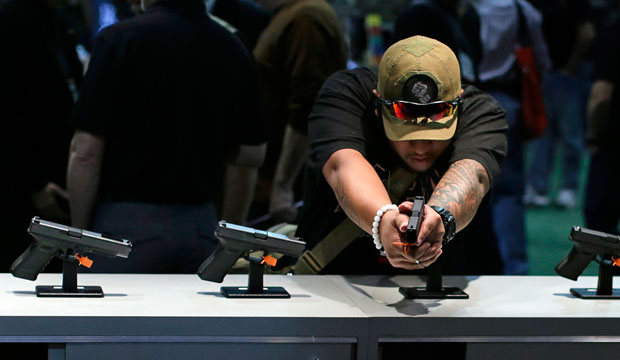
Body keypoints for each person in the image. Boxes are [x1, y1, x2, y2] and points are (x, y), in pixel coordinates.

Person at [67, 0, 266, 273]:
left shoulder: (118, 39)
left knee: (113, 315)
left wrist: (79, 238)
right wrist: (228, 241)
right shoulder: (233, 46)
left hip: (124, 227)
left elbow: (85, 153)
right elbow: (251, 155)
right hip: (201, 228)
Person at [295, 36, 507, 275]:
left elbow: (473, 175)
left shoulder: (481, 112)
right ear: (378, 103)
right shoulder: (346, 95)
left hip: (440, 289)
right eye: (404, 134)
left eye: (434, 135)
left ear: (458, 102)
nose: (419, 148)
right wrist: (383, 221)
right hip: (335, 280)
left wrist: (439, 219)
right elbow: (342, 165)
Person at [464, 0, 551, 275]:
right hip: (504, 101)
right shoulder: (519, 8)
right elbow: (541, 58)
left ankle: (471, 269)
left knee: (466, 185)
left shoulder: (459, 7)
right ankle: (514, 270)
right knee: (507, 192)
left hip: (462, 101)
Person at [0, 0, 83, 272]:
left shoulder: (55, 20)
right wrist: (32, 181)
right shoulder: (13, 16)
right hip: (23, 184)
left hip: (52, 176)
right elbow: (10, 108)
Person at [251, 0, 348, 225]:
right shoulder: (290, 14)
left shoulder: (307, 17)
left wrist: (282, 186)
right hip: (270, 182)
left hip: (284, 192)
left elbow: (308, 105)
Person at [524, 0, 595, 208]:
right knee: (543, 133)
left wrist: (571, 67)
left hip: (568, 75)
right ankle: (539, 189)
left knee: (571, 133)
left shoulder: (575, 4)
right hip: (545, 73)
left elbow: (587, 33)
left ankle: (568, 188)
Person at [584, 12, 620, 236]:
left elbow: (601, 97)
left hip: (613, 144)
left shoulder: (613, 34)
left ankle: (613, 268)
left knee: (600, 225)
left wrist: (593, 135)